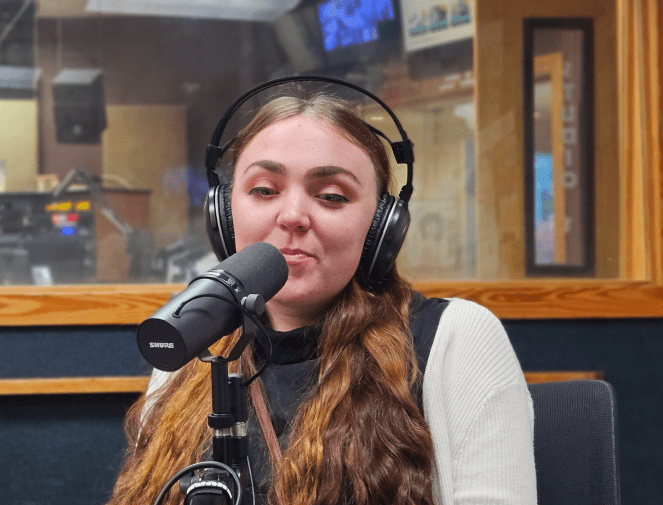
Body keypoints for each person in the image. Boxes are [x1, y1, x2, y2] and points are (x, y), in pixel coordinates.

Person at [108, 90, 536, 505]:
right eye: (264, 190)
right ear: (224, 213)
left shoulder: (457, 341)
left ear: (381, 228)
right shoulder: (192, 341)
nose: (293, 216)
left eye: (331, 196)